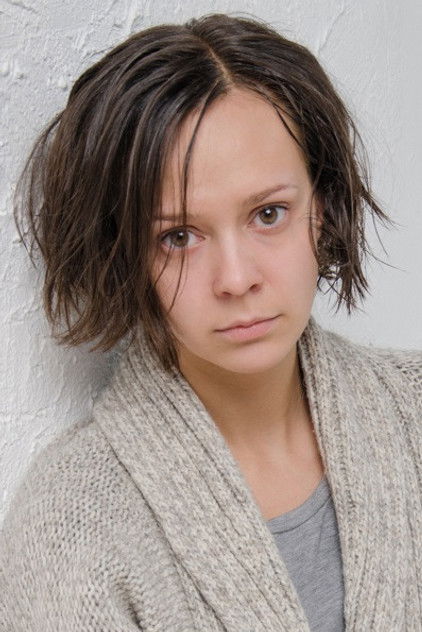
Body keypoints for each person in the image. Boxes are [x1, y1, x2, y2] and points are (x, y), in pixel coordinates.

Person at [1, 12, 421, 632]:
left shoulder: (413, 410)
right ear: (123, 254)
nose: (236, 278)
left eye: (269, 214)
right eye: (178, 236)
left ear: (323, 206)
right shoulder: (71, 517)